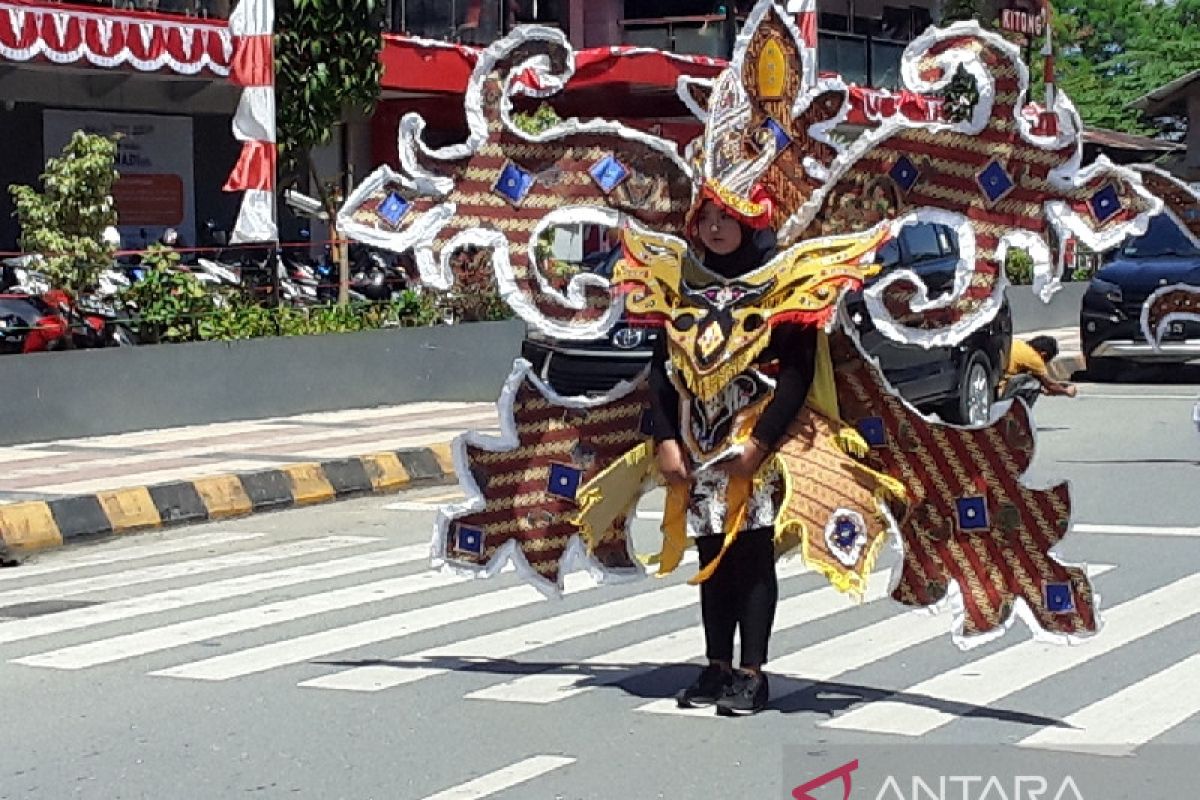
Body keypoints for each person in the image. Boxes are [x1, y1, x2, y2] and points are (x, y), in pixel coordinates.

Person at [649, 198, 818, 716]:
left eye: (728, 219)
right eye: (707, 219)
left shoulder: (782, 284)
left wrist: (760, 443)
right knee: (710, 554)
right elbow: (659, 369)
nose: (716, 228)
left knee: (750, 553)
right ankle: (717, 664)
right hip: (697, 441)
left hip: (754, 441)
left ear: (751, 225)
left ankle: (752, 672)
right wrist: (664, 440)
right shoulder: (680, 283)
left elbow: (797, 372)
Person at [998, 335, 1077, 406]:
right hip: (1002, 390)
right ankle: (1022, 412)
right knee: (1035, 383)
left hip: (996, 384)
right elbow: (1050, 386)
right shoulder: (1034, 358)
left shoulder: (1019, 344)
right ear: (1043, 354)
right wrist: (1066, 391)